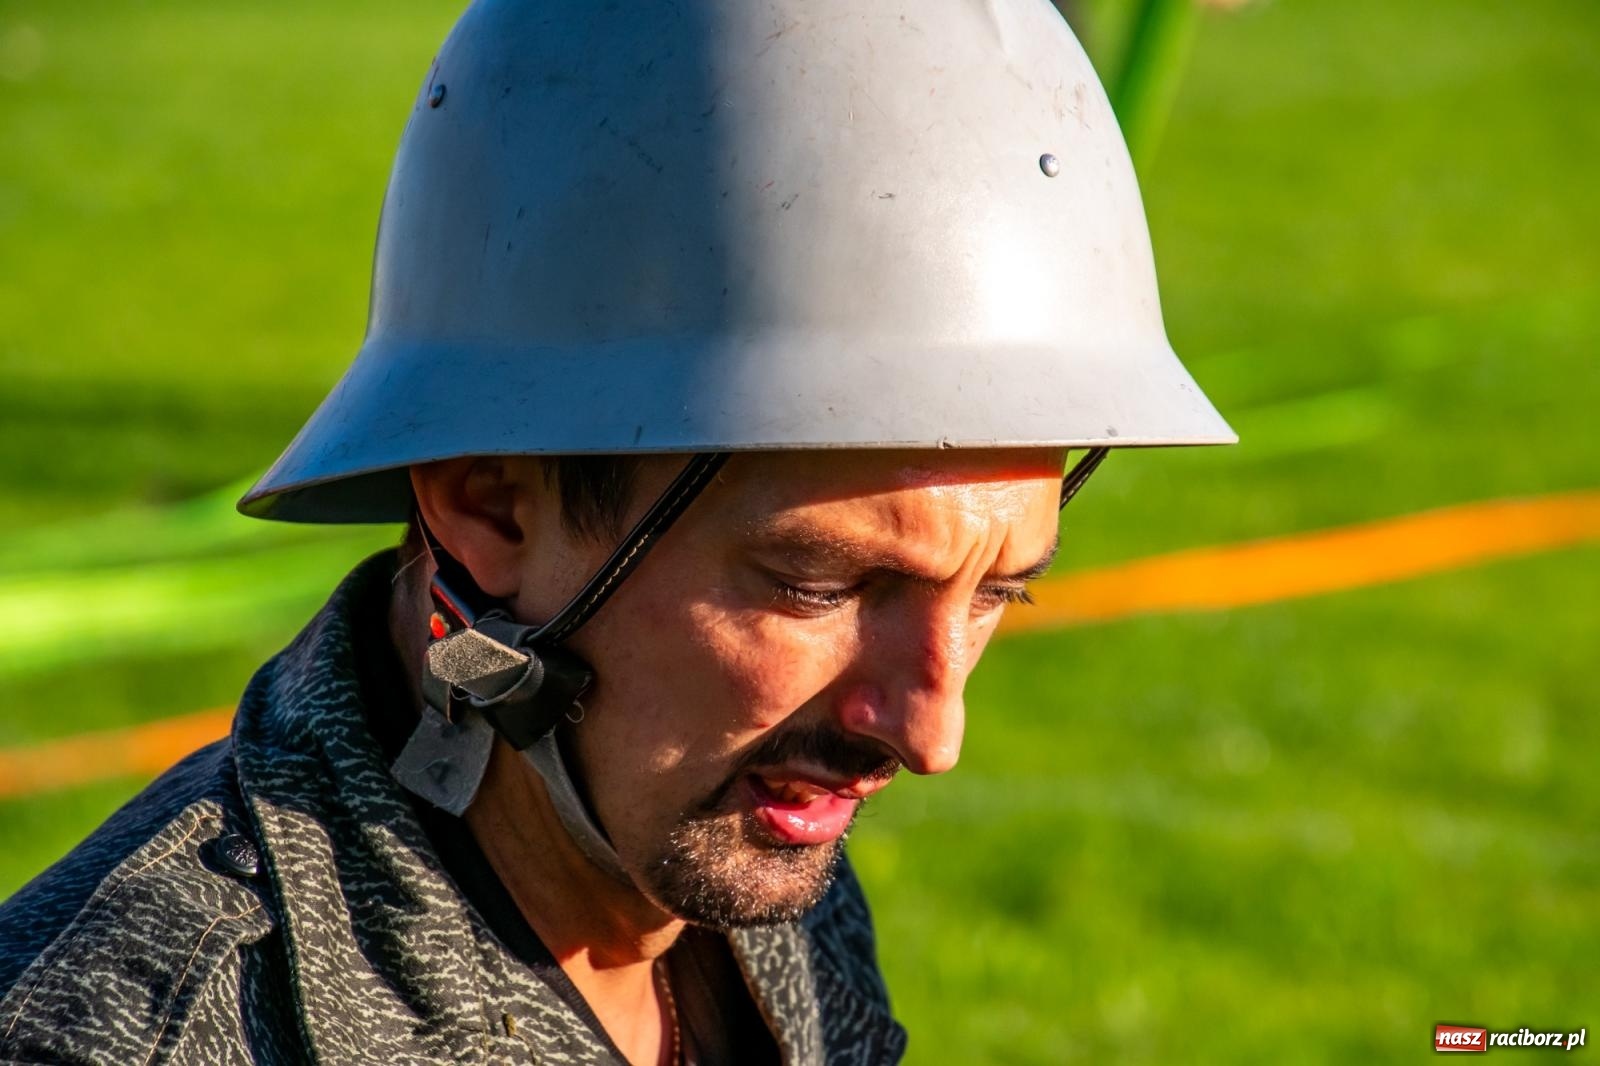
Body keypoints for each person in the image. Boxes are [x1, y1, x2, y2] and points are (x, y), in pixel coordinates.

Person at [0, 0, 1233, 1062]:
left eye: (994, 592)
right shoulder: (143, 1032)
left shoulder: (724, 826)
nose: (927, 729)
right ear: (490, 502)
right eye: (818, 582)